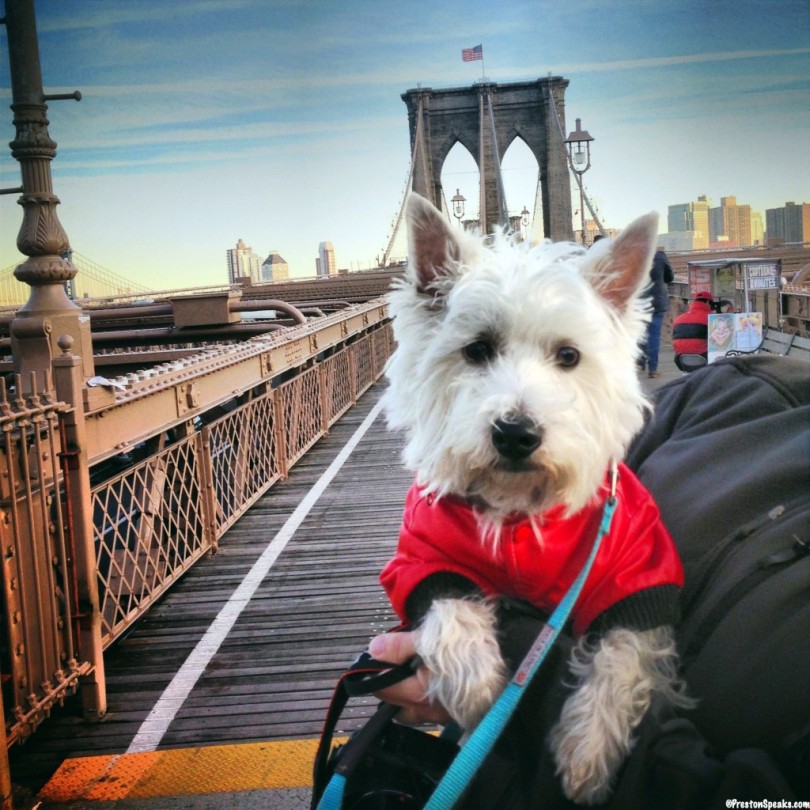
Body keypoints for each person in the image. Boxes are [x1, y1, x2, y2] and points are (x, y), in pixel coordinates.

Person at [639, 247, 674, 378]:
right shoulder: (660, 257)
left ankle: (640, 361)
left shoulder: (637, 256)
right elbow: (670, 278)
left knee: (641, 333)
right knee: (654, 335)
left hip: (640, 301)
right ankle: (652, 369)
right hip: (657, 302)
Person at [671, 291, 712, 370]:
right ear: (707, 302)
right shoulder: (711, 318)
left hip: (681, 361)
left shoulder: (678, 319)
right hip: (704, 360)